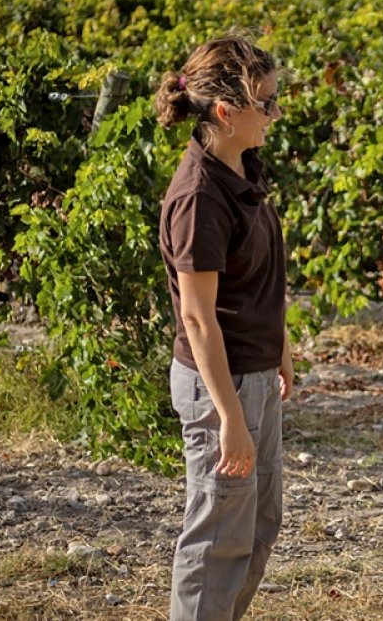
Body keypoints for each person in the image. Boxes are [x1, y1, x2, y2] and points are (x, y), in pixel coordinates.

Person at [155, 34, 294, 620]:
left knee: (258, 525)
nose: (275, 112)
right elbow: (197, 316)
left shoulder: (242, 167)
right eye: (266, 102)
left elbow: (256, 277)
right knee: (217, 541)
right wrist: (230, 419)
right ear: (225, 111)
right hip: (222, 386)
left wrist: (280, 345)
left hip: (252, 374)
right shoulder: (199, 198)